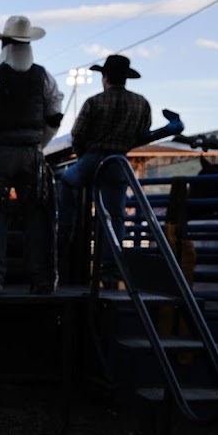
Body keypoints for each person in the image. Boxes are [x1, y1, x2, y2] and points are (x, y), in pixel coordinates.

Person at [0, 15, 63, 295]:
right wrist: (40, 143)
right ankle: (42, 279)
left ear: (4, 44)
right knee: (37, 216)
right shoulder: (45, 77)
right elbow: (54, 116)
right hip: (32, 154)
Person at [57, 54, 151, 288]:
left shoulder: (95, 102)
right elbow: (143, 133)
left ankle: (66, 231)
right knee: (115, 216)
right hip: (119, 162)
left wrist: (82, 156)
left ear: (105, 77)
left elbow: (78, 134)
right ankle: (109, 270)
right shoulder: (141, 103)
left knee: (66, 181)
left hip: (93, 157)